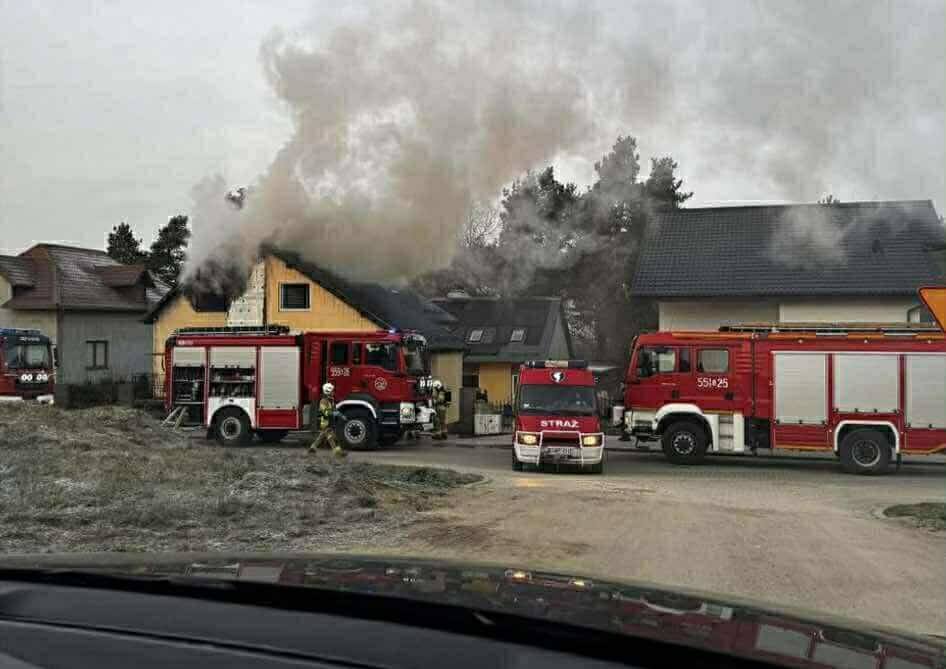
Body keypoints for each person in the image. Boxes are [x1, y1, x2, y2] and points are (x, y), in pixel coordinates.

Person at [309, 382, 346, 458]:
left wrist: (341, 415)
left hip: (330, 421)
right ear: (328, 391)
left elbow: (334, 410)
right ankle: (338, 453)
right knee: (331, 437)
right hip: (325, 422)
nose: (333, 392)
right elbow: (325, 412)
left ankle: (312, 448)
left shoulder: (331, 400)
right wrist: (334, 413)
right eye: (332, 391)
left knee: (322, 436)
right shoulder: (323, 401)